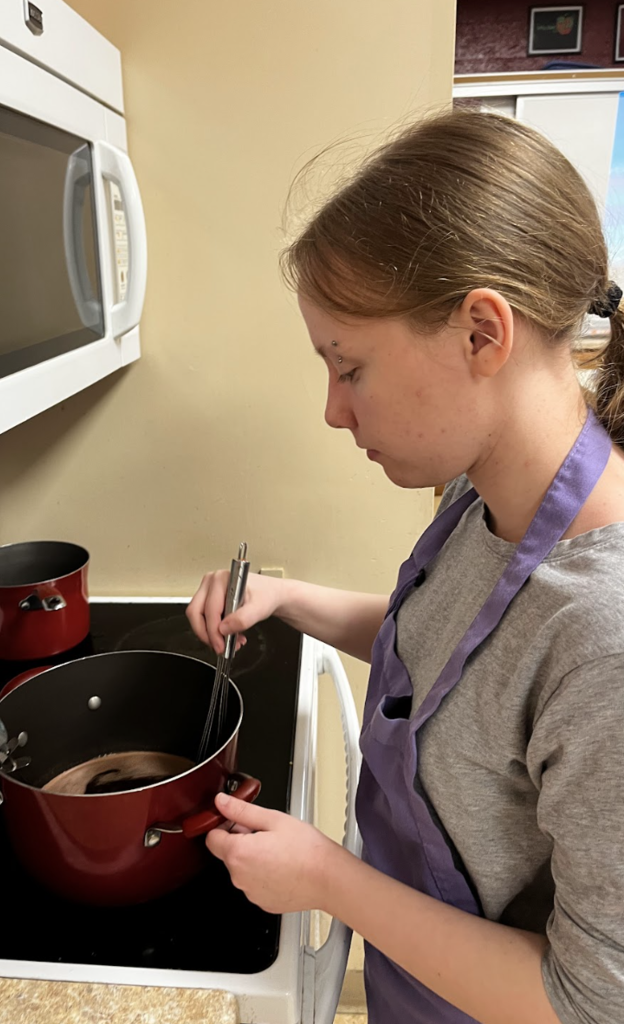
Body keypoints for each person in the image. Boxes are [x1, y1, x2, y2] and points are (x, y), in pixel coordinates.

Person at [186, 109, 624, 1024]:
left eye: (348, 369)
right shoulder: (490, 492)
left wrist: (327, 881)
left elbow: (587, 1002)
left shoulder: (605, 638)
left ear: (480, 334)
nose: (333, 412)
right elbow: (454, 651)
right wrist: (288, 598)